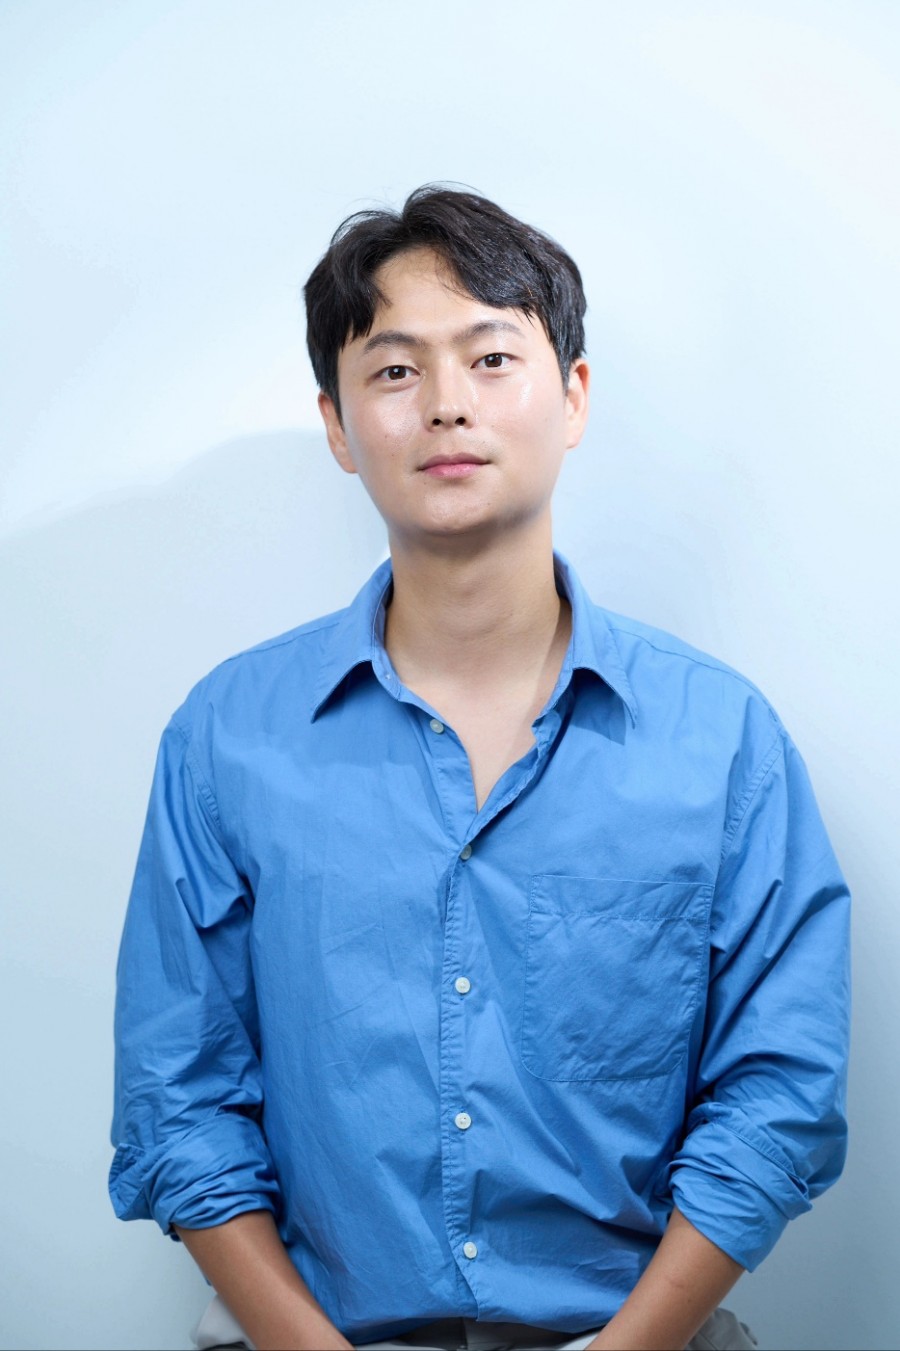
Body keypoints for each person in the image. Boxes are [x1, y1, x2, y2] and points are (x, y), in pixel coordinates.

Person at [110, 186, 850, 1351]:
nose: (447, 403)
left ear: (574, 396)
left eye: (492, 357)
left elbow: (780, 1092)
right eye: (395, 370)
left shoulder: (722, 741)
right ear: (338, 426)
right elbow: (177, 1094)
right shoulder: (228, 736)